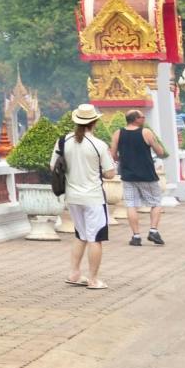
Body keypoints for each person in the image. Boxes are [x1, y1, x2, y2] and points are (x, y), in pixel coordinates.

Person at [59, 103, 116, 290]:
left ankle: (74, 273)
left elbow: (54, 167)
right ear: (94, 122)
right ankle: (93, 279)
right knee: (95, 238)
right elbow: (110, 173)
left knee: (80, 235)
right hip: (93, 197)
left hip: (72, 196)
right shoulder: (99, 145)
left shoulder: (63, 141)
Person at [115, 109, 168, 247]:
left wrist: (123, 160)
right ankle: (153, 231)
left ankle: (136, 236)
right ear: (136, 119)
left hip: (128, 175)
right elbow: (160, 151)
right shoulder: (146, 132)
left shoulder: (118, 133)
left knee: (131, 204)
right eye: (142, 117)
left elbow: (113, 154)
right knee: (156, 202)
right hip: (147, 174)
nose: (144, 119)